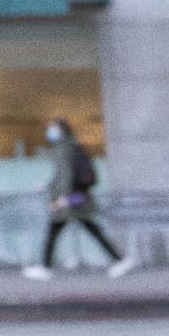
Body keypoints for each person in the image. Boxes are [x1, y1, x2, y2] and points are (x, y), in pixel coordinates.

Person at [22, 117, 132, 278]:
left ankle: (45, 267)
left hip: (71, 199)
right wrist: (48, 186)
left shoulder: (64, 149)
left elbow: (66, 176)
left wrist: (62, 199)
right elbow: (61, 176)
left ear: (60, 130)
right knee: (90, 228)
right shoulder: (69, 147)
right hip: (77, 198)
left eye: (52, 128)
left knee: (56, 230)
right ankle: (119, 259)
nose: (49, 132)